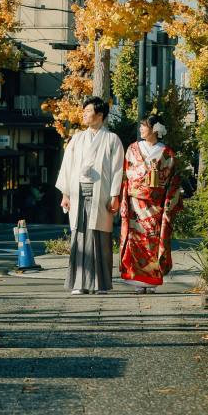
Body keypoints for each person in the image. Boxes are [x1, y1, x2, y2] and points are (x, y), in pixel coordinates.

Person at [56, 95, 124, 294]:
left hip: (101, 195)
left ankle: (100, 284)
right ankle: (79, 283)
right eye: (84, 111)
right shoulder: (76, 138)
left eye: (88, 111)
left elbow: (117, 169)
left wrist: (115, 196)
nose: (84, 114)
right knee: (79, 236)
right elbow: (67, 166)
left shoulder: (112, 139)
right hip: (78, 192)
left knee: (99, 237)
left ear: (100, 114)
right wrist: (65, 194)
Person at [119, 115, 182, 294]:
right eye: (140, 126)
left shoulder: (167, 153)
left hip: (156, 205)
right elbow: (127, 174)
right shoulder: (132, 148)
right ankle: (137, 280)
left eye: (144, 126)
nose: (141, 129)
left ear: (155, 129)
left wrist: (168, 203)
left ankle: (152, 280)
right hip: (135, 202)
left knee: (153, 241)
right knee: (136, 240)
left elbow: (172, 181)